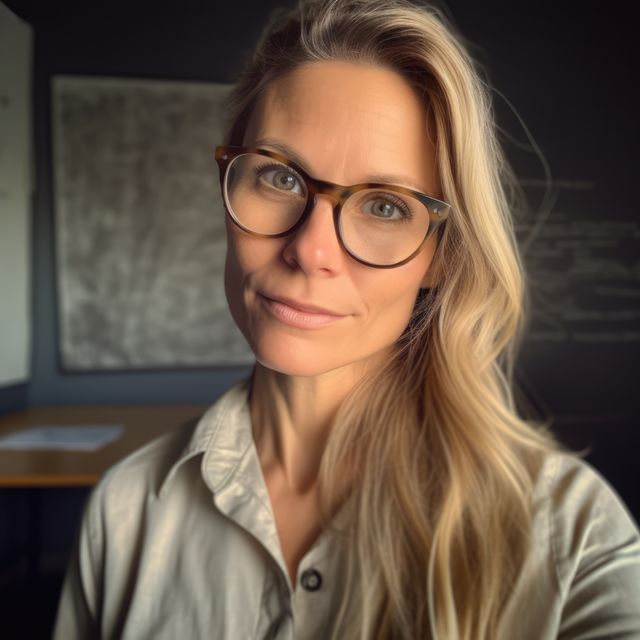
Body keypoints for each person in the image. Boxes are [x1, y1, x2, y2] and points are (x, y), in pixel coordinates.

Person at [53, 0, 640, 638]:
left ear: (440, 257)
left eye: (385, 207)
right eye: (278, 177)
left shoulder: (572, 536)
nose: (310, 250)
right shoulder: (125, 511)